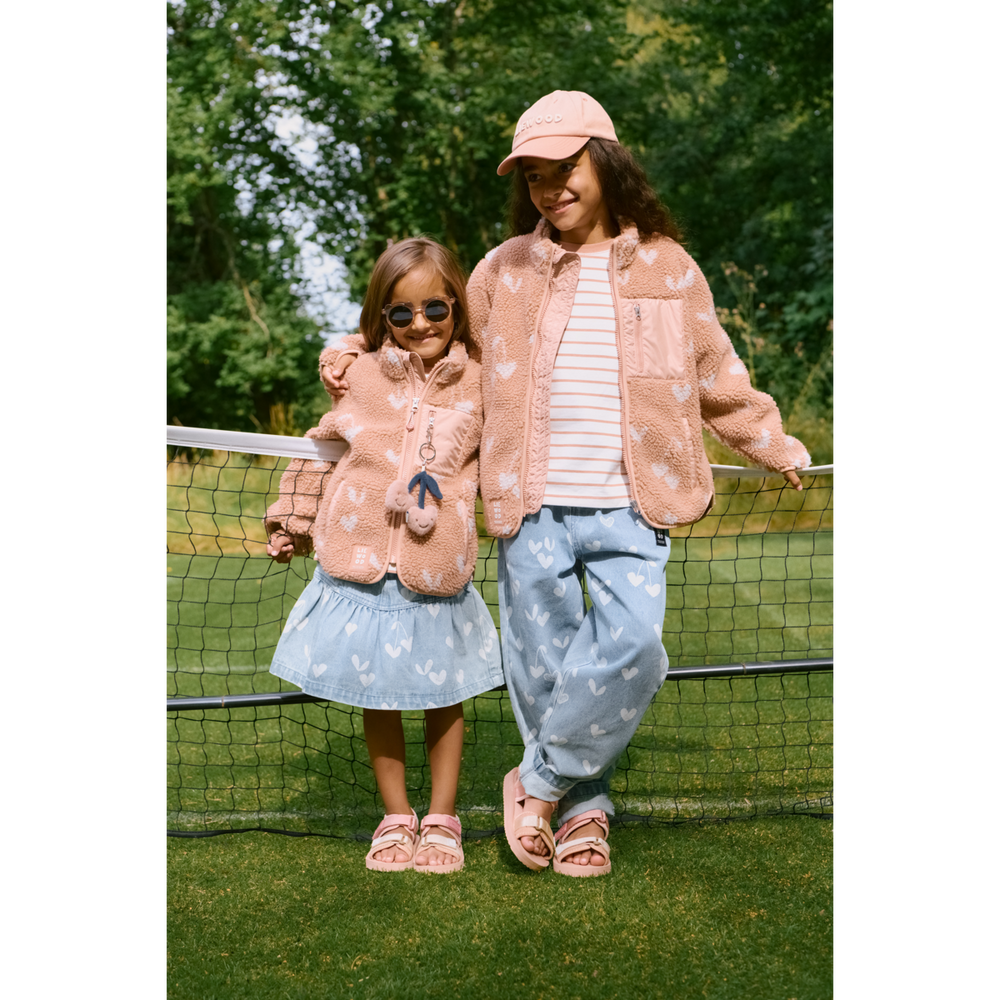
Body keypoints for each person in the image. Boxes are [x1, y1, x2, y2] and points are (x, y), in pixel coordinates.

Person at [463, 90, 811, 877]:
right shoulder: (502, 271)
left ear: (606, 162)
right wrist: (366, 362)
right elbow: (459, 370)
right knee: (546, 667)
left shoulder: (668, 267)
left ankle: (538, 782)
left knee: (633, 648)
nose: (550, 188)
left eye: (565, 168)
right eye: (534, 176)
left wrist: (769, 440)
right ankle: (585, 812)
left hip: (633, 501)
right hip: (529, 502)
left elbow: (715, 372)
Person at [264, 237, 502, 874]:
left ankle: (443, 818)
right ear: (382, 316)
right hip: (361, 563)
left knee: (444, 697)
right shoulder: (362, 376)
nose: (420, 323)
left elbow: (507, 455)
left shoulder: (481, 382)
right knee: (379, 695)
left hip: (436, 566)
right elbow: (322, 449)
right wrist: (291, 520)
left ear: (456, 306)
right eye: (401, 312)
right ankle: (397, 817)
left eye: (434, 308)